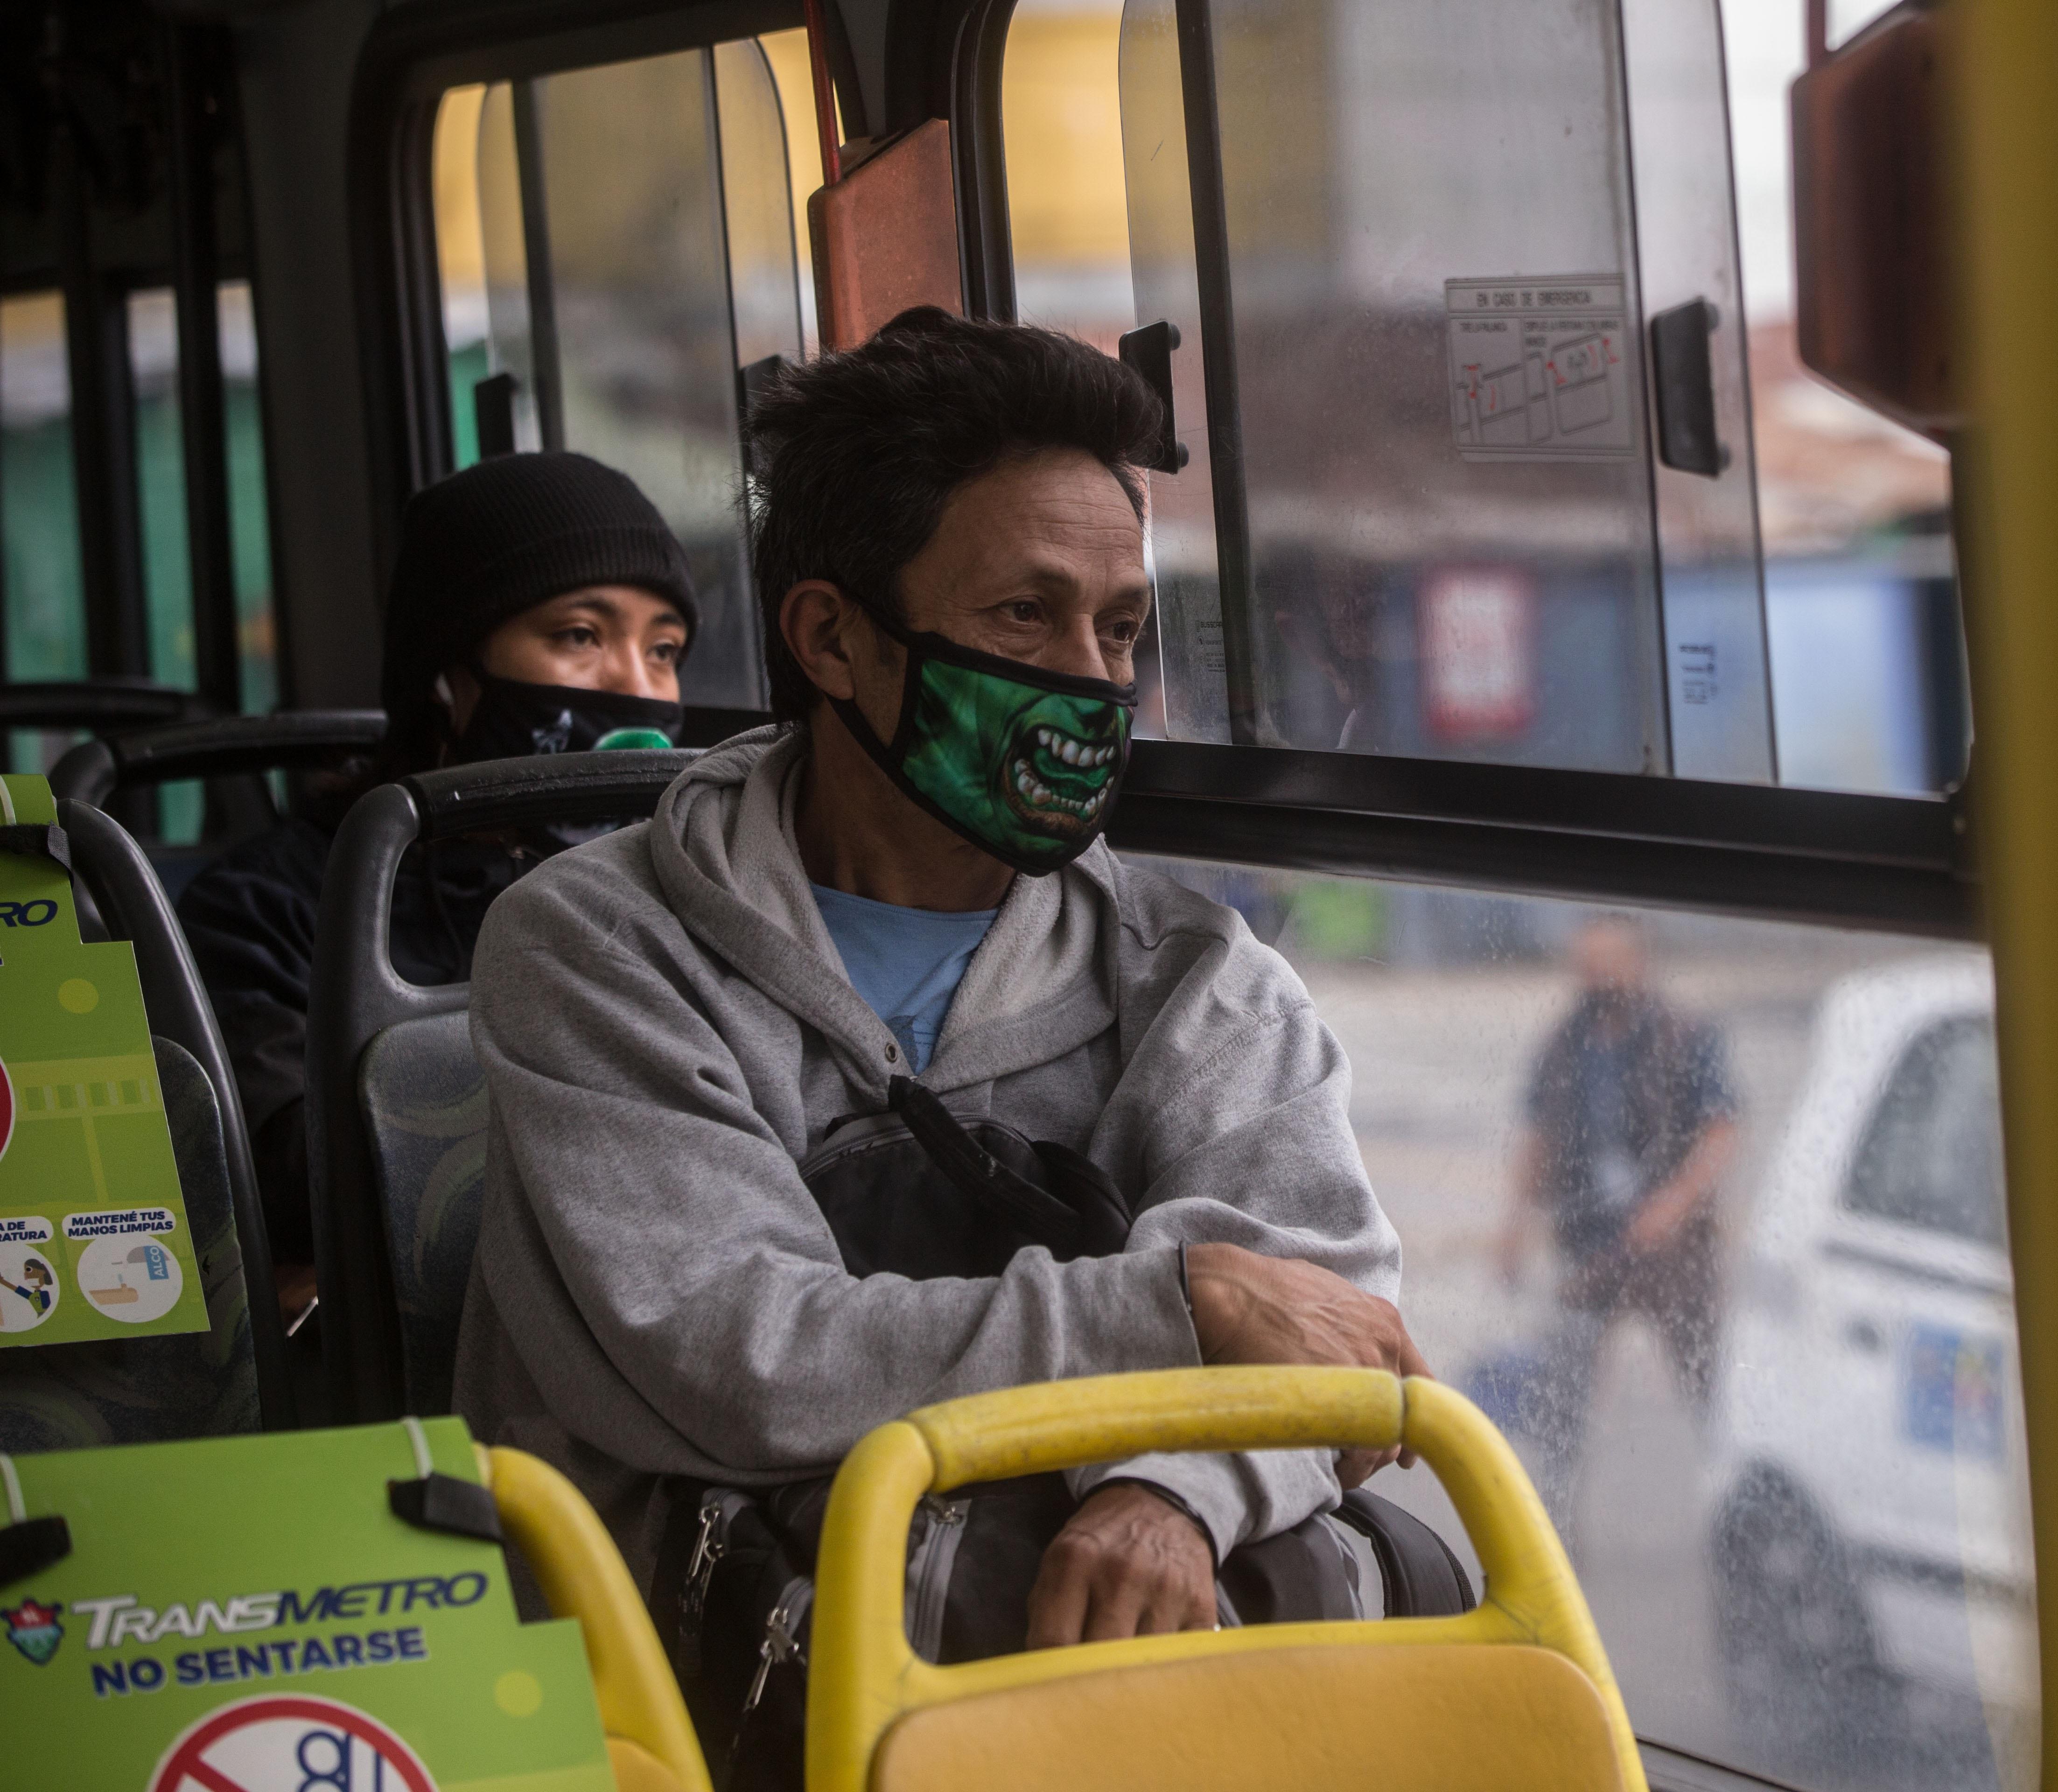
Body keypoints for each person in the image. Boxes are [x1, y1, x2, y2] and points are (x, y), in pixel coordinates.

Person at [452, 308, 1428, 1650]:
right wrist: (1179, 1303)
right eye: (1026, 616)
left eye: (1123, 630)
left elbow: (1327, 1311)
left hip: (1051, 1561)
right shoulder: (599, 948)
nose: (1092, 686)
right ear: (835, 641)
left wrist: (1173, 1489)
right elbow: (747, 1360)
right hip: (696, 1609)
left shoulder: (1192, 978)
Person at [179, 452, 694, 1325]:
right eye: (580, 636)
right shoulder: (273, 909)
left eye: (666, 650)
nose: (637, 688)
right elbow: (289, 1176)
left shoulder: (682, 885)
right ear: (448, 673)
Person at [1497, 914, 1739, 1519]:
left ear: (1639, 963)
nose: (1598, 978)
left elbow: (1722, 1129)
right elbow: (1540, 1135)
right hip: (1591, 1242)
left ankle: (1730, 1501)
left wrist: (1674, 1205)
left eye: (1610, 964)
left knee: (1706, 1383)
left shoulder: (1685, 1034)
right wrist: (1514, 1224)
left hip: (1673, 1250)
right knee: (1565, 1385)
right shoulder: (1564, 1042)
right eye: (1588, 965)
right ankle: (1553, 1518)